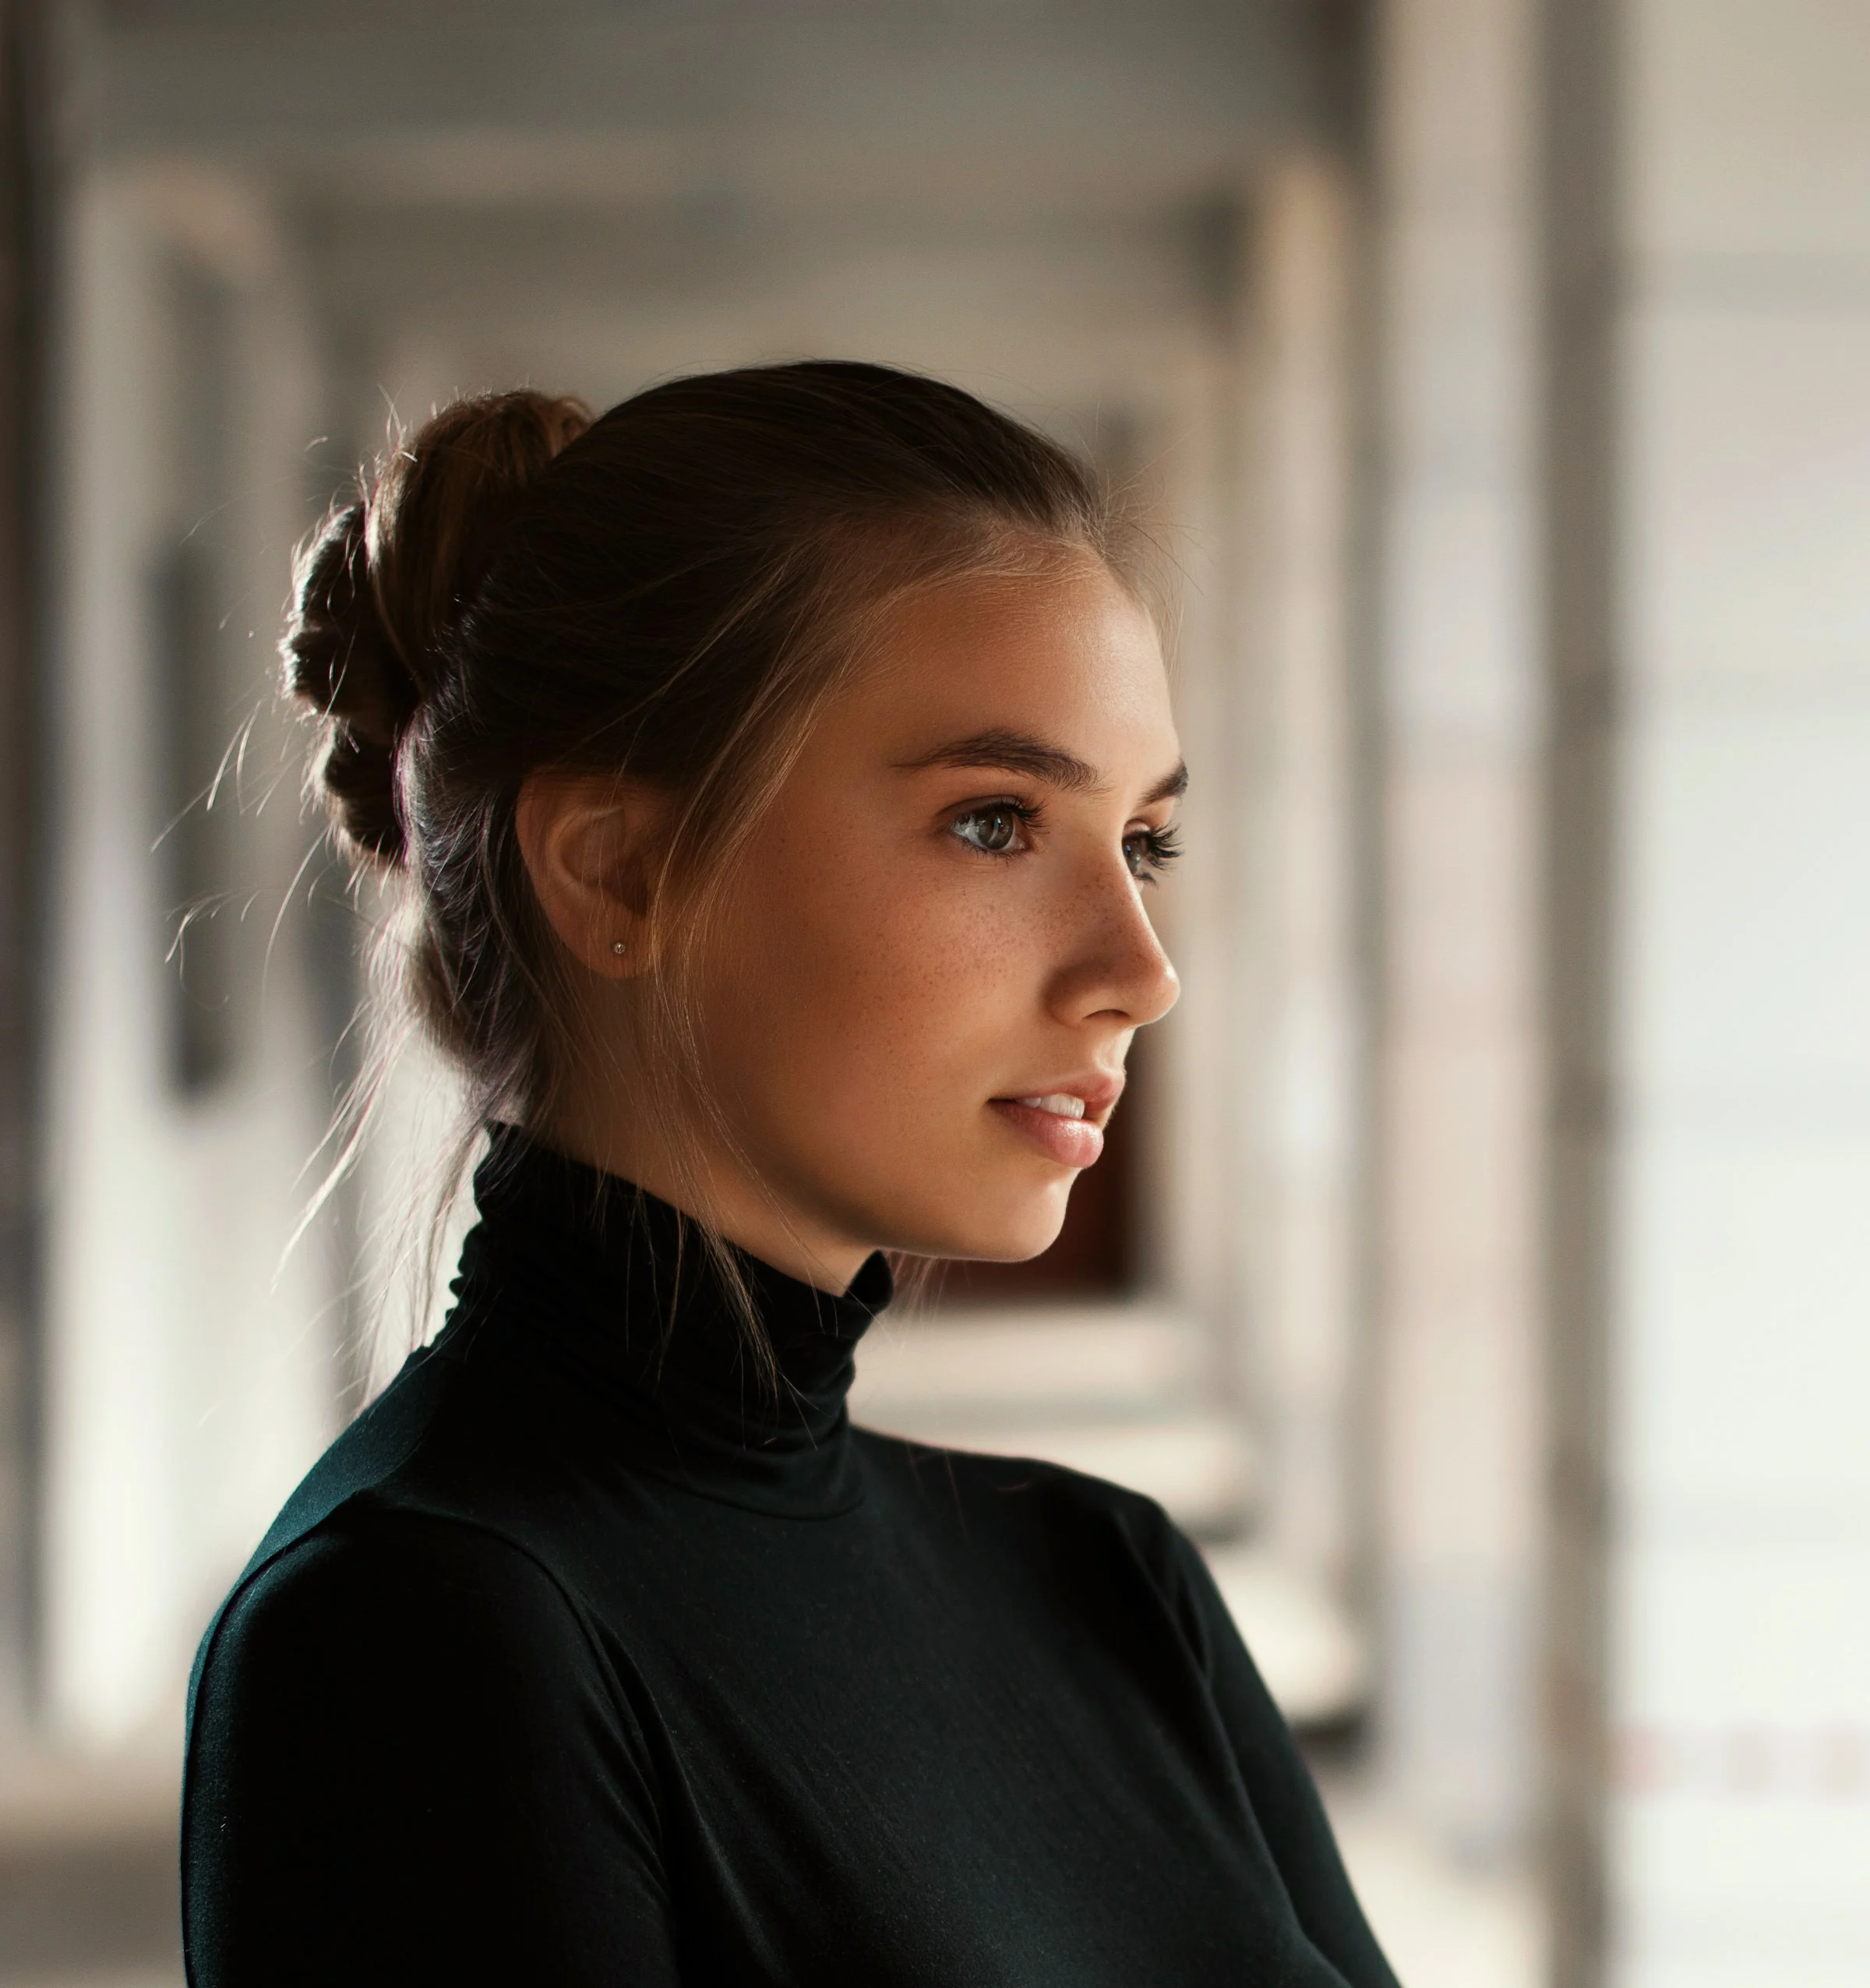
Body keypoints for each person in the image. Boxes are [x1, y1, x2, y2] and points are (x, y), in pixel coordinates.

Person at [181, 362, 1399, 1987]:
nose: (1141, 968)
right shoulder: (416, 1630)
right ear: (618, 872)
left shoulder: (1111, 1580)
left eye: (1143, 842)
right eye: (995, 823)